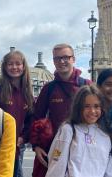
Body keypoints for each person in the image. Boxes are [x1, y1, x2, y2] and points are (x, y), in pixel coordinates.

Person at [31, 43, 91, 177]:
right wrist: (36, 146)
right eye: (57, 58)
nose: (62, 61)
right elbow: (36, 117)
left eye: (66, 57)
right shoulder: (49, 88)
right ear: (53, 61)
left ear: (73, 59)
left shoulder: (86, 85)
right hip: (55, 147)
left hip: (81, 147)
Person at [46, 85, 112, 177]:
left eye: (96, 106)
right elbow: (57, 164)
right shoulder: (69, 130)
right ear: (79, 107)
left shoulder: (105, 136)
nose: (92, 111)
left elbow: (108, 171)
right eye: (87, 106)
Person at [0, 50, 34, 177]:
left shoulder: (27, 92)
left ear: (23, 66)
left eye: (18, 64)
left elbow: (31, 119)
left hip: (17, 146)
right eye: (10, 64)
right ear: (5, 67)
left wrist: (23, 137)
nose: (14, 67)